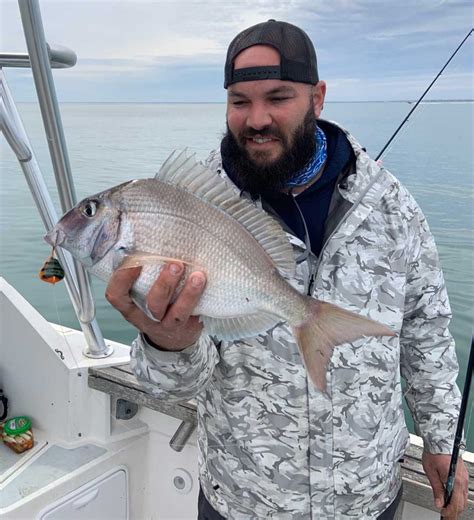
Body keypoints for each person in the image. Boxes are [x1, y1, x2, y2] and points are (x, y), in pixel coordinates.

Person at [105, 20, 469, 520]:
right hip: (243, 501)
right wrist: (166, 343)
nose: (257, 119)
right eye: (240, 101)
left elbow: (426, 334)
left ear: (317, 98)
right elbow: (175, 390)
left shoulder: (390, 206)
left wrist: (441, 436)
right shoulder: (188, 208)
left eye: (278, 97)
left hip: (367, 500)